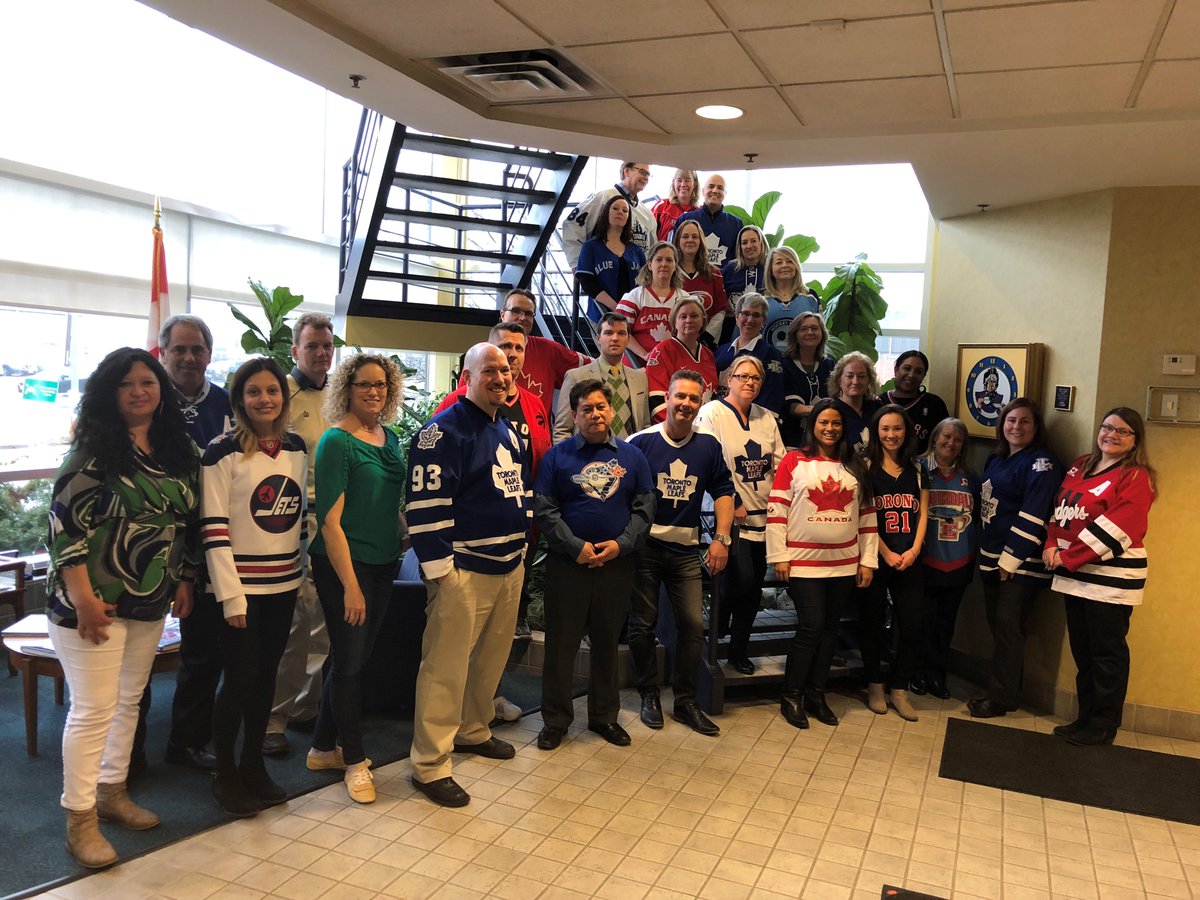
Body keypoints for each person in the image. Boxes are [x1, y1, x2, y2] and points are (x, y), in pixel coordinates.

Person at [47, 347, 199, 868]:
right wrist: (83, 599)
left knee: (129, 700)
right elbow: (64, 527)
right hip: (92, 602)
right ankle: (79, 819)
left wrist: (185, 577)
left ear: (161, 391)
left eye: (148, 382)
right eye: (127, 383)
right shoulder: (92, 450)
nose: (139, 391)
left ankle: (112, 792)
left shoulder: (177, 449)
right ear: (109, 393)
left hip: (151, 597)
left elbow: (187, 521)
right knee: (93, 709)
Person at [407, 344, 532, 807]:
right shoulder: (441, 433)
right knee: (445, 669)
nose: (500, 377)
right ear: (467, 377)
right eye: (489, 371)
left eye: (505, 370)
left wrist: (521, 548)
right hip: (462, 570)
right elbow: (425, 506)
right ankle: (429, 764)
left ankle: (473, 730)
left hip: (508, 565)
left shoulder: (509, 430)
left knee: (488, 662)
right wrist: (442, 571)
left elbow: (521, 492)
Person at [201, 358, 307, 816]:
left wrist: (302, 575)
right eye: (254, 391)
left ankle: (252, 764)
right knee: (239, 678)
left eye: (272, 390)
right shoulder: (220, 452)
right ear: (239, 399)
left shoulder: (296, 448)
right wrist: (230, 596)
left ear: (283, 397)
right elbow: (213, 528)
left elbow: (299, 518)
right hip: (239, 590)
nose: (265, 399)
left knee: (266, 678)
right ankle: (224, 772)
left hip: (284, 584)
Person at [533, 380, 654, 750]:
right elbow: (545, 509)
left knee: (606, 643)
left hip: (616, 566)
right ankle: (555, 721)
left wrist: (621, 545)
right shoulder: (557, 457)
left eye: (601, 407)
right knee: (561, 645)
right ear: (574, 415)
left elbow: (645, 508)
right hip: (568, 566)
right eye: (587, 409)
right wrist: (575, 547)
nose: (596, 414)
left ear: (611, 410)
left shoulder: (632, 457)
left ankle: (604, 717)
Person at [308, 354, 407, 802]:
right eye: (364, 384)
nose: (373, 391)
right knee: (350, 663)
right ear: (347, 388)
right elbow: (330, 523)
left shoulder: (390, 438)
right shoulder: (337, 441)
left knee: (353, 658)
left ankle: (321, 748)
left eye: (381, 384)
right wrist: (350, 585)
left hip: (384, 561)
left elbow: (388, 502)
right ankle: (354, 761)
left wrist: (406, 534)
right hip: (345, 564)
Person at [628, 370, 735, 736]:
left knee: (692, 625)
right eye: (680, 396)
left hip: (686, 550)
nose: (686, 404)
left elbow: (724, 491)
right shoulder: (640, 443)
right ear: (667, 399)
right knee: (643, 625)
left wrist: (721, 538)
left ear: (700, 403)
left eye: (693, 398)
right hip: (645, 548)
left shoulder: (708, 446)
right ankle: (649, 694)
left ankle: (686, 701)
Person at [1043, 408, 1155, 746]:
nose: (1112, 435)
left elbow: (1121, 527)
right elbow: (1061, 510)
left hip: (1110, 581)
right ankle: (1085, 717)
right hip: (1075, 575)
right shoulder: (1081, 464)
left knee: (1106, 655)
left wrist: (1067, 557)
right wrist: (1051, 545)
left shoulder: (1135, 476)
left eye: (1122, 431)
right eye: (1107, 427)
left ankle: (1103, 724)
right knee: (1084, 652)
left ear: (1135, 440)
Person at [433, 323, 550, 645]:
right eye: (504, 346)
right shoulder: (454, 403)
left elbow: (538, 459)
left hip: (518, 530)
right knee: (456, 645)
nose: (511, 354)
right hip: (467, 546)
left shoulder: (534, 405)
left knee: (496, 641)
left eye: (518, 348)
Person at [767, 398, 876, 729]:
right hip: (803, 563)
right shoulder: (794, 461)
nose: (830, 428)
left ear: (844, 428)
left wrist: (867, 561)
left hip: (844, 563)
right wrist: (779, 556)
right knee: (811, 627)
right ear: (812, 425)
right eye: (823, 422)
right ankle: (791, 695)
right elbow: (777, 511)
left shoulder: (855, 466)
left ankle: (817, 694)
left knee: (830, 630)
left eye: (836, 423)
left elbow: (867, 517)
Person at [158, 314, 231, 775]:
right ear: (163, 352)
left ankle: (187, 741)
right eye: (179, 349)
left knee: (203, 651)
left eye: (197, 349)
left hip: (207, 545)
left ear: (208, 354)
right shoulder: (148, 400)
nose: (188, 357)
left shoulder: (227, 403)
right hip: (151, 546)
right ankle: (125, 754)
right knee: (133, 657)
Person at [264, 312, 334, 758]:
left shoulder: (340, 395)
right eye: (312, 346)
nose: (322, 353)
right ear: (295, 350)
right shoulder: (280, 395)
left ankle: (308, 707)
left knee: (325, 622)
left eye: (327, 345)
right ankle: (274, 716)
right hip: (292, 522)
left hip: (336, 523)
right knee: (295, 624)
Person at [968, 398, 1062, 719]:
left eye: (1024, 422)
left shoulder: (1042, 464)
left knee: (1008, 630)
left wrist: (1010, 560)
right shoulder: (997, 458)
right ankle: (1006, 692)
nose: (1016, 427)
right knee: (1000, 628)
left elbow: (1035, 513)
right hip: (992, 558)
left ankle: (999, 698)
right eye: (1011, 420)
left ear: (1036, 427)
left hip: (1019, 564)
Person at [695, 355, 785, 675]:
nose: (749, 382)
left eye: (756, 378)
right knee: (742, 579)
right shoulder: (712, 413)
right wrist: (732, 501)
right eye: (743, 376)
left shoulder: (767, 417)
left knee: (754, 587)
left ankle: (738, 651)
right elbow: (707, 461)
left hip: (763, 516)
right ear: (729, 379)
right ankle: (718, 625)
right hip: (729, 515)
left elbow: (779, 463)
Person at [858, 405, 929, 721]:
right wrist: (885, 552)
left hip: (910, 558)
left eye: (897, 428)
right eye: (885, 428)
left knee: (912, 625)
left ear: (907, 431)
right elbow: (863, 515)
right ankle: (875, 684)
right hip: (876, 556)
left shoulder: (917, 469)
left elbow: (924, 512)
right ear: (876, 432)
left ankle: (899, 689)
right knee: (871, 622)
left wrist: (914, 550)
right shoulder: (866, 466)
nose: (891, 435)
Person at [915, 418, 979, 701]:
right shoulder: (917, 468)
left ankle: (937, 675)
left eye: (958, 439)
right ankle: (915, 672)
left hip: (958, 562)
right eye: (946, 436)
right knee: (920, 622)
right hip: (924, 561)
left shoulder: (970, 477)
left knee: (945, 624)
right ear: (935, 437)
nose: (951, 443)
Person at [497, 288, 590, 422]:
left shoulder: (548, 350)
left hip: (537, 432)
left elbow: (594, 366)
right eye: (516, 311)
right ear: (503, 314)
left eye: (528, 313)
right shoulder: (482, 354)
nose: (522, 318)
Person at [555, 313, 650, 443]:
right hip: (588, 454)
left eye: (621, 333)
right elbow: (562, 430)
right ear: (598, 338)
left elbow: (645, 427)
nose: (615, 338)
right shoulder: (576, 377)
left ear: (628, 340)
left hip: (629, 453)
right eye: (609, 333)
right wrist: (566, 456)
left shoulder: (640, 379)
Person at [561, 161, 656, 268]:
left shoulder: (647, 213)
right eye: (642, 172)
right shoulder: (603, 197)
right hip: (602, 271)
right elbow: (572, 226)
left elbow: (653, 249)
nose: (646, 177)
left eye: (648, 174)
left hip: (636, 274)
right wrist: (577, 265)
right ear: (627, 171)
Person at [575, 195, 648, 323]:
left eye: (625, 210)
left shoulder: (636, 250)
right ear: (606, 213)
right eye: (615, 208)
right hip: (601, 316)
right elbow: (587, 282)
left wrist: (629, 309)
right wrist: (617, 308)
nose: (620, 212)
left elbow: (646, 282)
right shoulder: (591, 246)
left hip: (633, 316)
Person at [645, 296, 718, 422]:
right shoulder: (661, 351)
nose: (689, 320)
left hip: (707, 425)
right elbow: (657, 401)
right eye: (683, 317)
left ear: (703, 321)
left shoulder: (708, 354)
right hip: (676, 426)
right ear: (674, 322)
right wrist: (680, 427)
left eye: (694, 316)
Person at [614, 241, 689, 362]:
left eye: (669, 260)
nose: (664, 264)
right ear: (649, 265)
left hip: (673, 363)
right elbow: (619, 330)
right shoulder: (634, 296)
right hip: (638, 364)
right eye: (659, 259)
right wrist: (645, 355)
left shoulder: (685, 299)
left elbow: (690, 334)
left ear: (675, 266)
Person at [714, 292, 786, 416]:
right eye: (745, 314)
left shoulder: (769, 354)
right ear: (737, 317)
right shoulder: (721, 351)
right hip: (718, 416)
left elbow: (771, 398)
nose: (750, 320)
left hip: (749, 419)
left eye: (756, 315)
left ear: (763, 320)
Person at [780, 312, 835, 449]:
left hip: (826, 440)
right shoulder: (784, 364)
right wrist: (821, 410)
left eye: (815, 328)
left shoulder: (829, 365)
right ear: (795, 335)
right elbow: (791, 407)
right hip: (792, 440)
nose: (810, 332)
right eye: (803, 329)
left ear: (822, 333)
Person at [672, 218, 729, 346]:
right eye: (685, 236)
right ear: (678, 240)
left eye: (695, 236)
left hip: (706, 343)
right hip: (675, 340)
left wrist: (708, 336)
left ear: (701, 241)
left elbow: (721, 309)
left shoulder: (714, 273)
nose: (690, 240)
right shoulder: (670, 272)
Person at [885, 351, 950, 453]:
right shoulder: (879, 402)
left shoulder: (934, 404)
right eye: (907, 368)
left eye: (918, 371)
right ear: (896, 370)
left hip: (921, 462)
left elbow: (946, 440)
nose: (911, 375)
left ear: (923, 376)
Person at [672, 174, 743, 266]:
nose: (715, 191)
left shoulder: (736, 224)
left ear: (725, 193)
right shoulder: (685, 220)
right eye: (711, 186)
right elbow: (674, 253)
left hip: (725, 275)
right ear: (703, 191)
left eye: (720, 188)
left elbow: (739, 259)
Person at [762, 246, 819, 353]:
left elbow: (819, 332)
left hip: (802, 359)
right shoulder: (761, 298)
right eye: (779, 262)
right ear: (770, 270)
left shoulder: (810, 296)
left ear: (796, 266)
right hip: (767, 359)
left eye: (789, 261)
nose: (785, 265)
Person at [828, 351, 883, 455]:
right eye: (850, 376)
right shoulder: (830, 410)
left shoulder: (877, 408)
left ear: (869, 380)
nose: (856, 381)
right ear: (839, 380)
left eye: (861, 376)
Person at [721, 225, 768, 326]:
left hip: (764, 326)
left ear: (761, 243)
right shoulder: (730, 269)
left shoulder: (770, 269)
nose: (749, 246)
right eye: (744, 242)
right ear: (740, 247)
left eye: (753, 241)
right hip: (732, 326)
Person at [651, 168, 699, 242]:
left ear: (694, 184)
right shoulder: (661, 207)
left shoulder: (700, 212)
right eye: (679, 180)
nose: (683, 184)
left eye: (687, 180)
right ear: (673, 183)